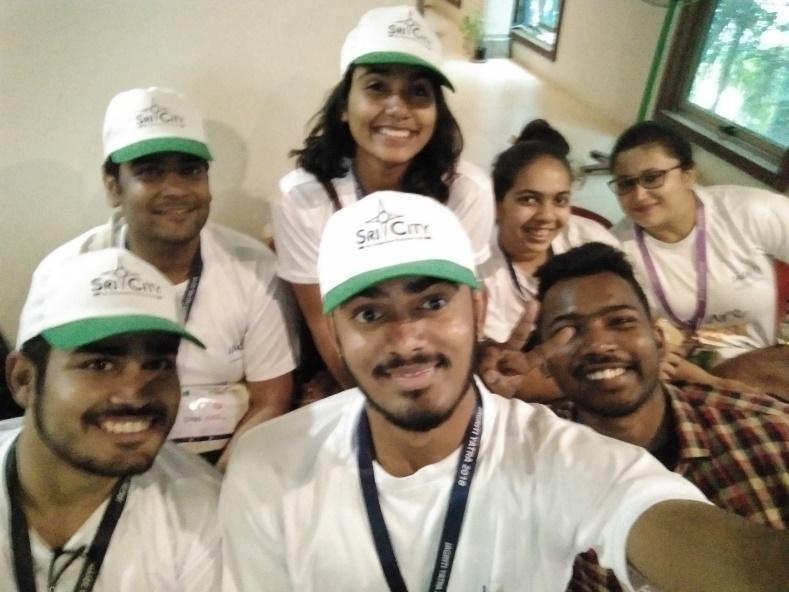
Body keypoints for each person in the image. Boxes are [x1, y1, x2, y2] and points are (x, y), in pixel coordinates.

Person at [220, 193, 788, 592]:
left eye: (433, 302)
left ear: (479, 307)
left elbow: (661, 518)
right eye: (370, 313)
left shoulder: (558, 456)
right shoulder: (270, 463)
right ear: (335, 334)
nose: (407, 339)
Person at [38, 87, 299, 466]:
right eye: (150, 172)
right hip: (107, 459)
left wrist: (215, 485)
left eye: (190, 170)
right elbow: (51, 408)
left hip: (226, 459)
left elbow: (270, 401)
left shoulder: (253, 266)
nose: (176, 190)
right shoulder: (65, 274)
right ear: (113, 186)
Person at [531, 242, 788, 591]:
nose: (599, 344)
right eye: (569, 331)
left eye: (621, 321)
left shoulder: (768, 433)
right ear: (545, 361)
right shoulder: (531, 460)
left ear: (659, 340)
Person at [273, 5, 494, 393]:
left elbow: (460, 317)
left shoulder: (466, 192)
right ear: (344, 105)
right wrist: (381, 406)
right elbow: (325, 326)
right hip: (357, 372)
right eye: (377, 87)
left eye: (418, 92)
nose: (397, 108)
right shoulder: (303, 198)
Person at [2, 248, 221, 591]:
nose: (135, 394)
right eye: (100, 364)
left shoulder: (200, 511)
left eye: (158, 364)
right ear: (24, 380)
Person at [608, 121, 789, 398]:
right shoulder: (614, 251)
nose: (639, 194)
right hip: (679, 382)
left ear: (688, 175)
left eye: (652, 177)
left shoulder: (749, 212)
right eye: (625, 184)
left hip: (764, 368)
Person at [478, 120, 618, 402]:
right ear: (497, 204)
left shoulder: (590, 240)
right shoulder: (478, 270)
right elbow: (509, 380)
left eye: (560, 200)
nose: (546, 216)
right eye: (529, 200)